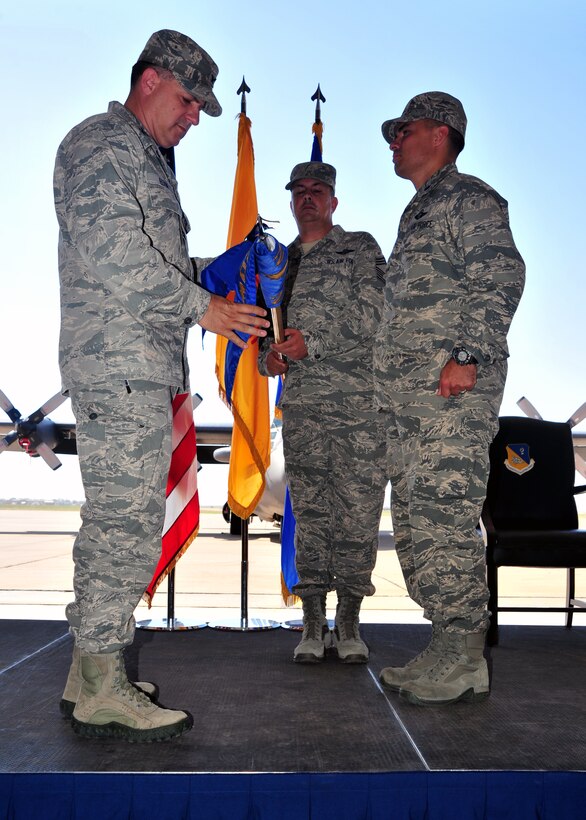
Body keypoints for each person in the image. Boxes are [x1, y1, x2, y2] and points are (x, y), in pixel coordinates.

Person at [54, 29, 269, 742]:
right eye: (187, 101)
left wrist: (221, 269)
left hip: (140, 364)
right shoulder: (101, 144)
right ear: (149, 81)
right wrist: (203, 306)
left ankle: (91, 670)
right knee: (126, 522)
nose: (193, 118)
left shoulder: (147, 158)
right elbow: (117, 255)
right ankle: (102, 682)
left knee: (122, 518)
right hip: (117, 363)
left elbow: (158, 263)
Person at [375, 92, 525, 705]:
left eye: (403, 131)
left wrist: (468, 356)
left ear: (440, 134)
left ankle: (464, 656)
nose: (394, 142)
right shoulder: (417, 212)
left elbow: (501, 275)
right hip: (409, 403)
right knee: (416, 529)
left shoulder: (471, 199)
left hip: (450, 395)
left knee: (445, 519)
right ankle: (445, 644)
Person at [259, 161, 387, 664]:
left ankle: (350, 623)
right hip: (305, 409)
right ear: (291, 201)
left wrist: (314, 342)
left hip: (358, 407)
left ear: (334, 202)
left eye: (319, 190)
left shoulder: (359, 248)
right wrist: (269, 358)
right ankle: (313, 624)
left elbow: (374, 311)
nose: (308, 198)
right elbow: (269, 334)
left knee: (357, 514)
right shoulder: (278, 264)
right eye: (299, 191)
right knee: (310, 517)